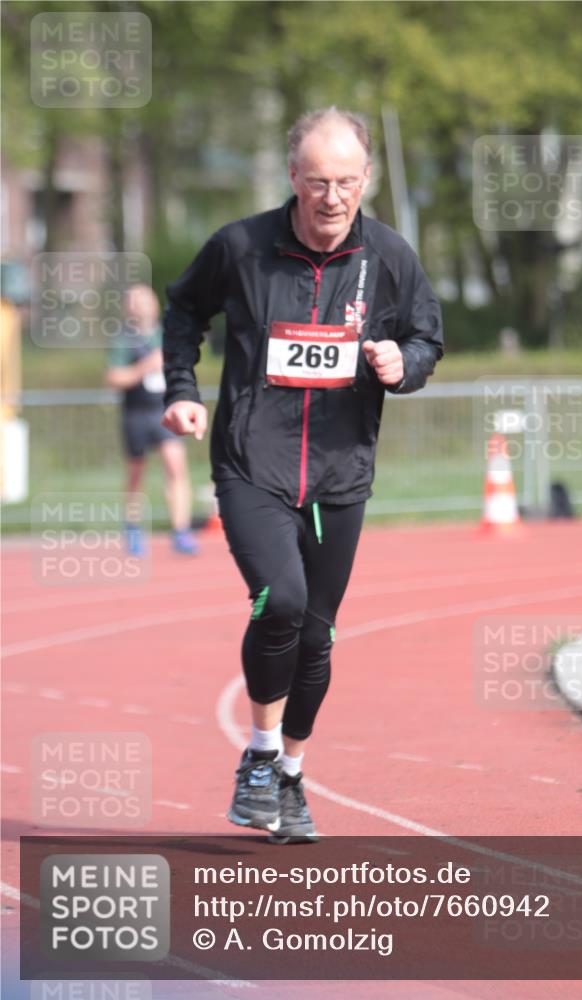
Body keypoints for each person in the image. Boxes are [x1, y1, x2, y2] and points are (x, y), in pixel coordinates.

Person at [161, 107, 443, 842]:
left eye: (346, 181)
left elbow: (425, 337)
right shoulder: (240, 248)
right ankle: (257, 758)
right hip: (252, 461)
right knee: (280, 601)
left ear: (366, 180)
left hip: (339, 470)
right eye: (317, 180)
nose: (331, 196)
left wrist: (400, 364)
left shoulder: (389, 257)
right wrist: (183, 392)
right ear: (292, 176)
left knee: (316, 636)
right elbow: (183, 311)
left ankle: (288, 773)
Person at [105, 284, 198, 556]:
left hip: (164, 410)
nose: (141, 306)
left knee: (175, 464)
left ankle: (181, 530)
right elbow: (113, 378)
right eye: (135, 301)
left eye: (146, 300)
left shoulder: (166, 335)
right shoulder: (124, 340)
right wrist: (144, 366)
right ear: (128, 307)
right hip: (135, 412)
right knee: (136, 472)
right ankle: (132, 527)